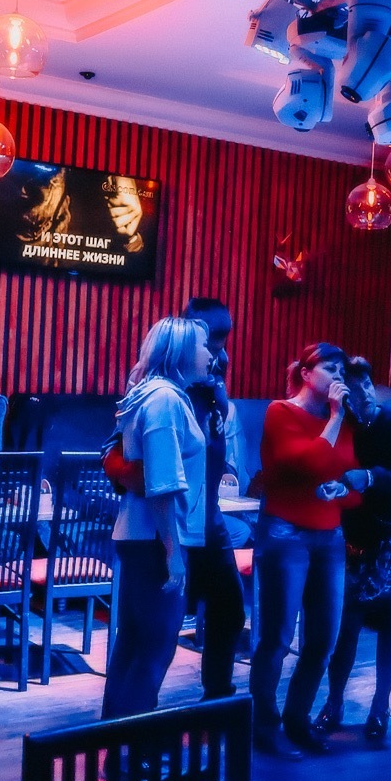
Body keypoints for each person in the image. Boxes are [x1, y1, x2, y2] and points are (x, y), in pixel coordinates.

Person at [249, 343, 361, 758]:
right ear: (306, 372)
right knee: (277, 637)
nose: (338, 376)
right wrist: (334, 418)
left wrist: (343, 491)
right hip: (285, 533)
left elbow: (350, 480)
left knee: (323, 638)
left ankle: (298, 720)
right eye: (330, 367)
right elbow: (306, 464)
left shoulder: (343, 420)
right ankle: (264, 726)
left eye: (342, 370)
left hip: (329, 536)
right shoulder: (281, 412)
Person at [101, 316, 211, 720]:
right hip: (156, 539)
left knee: (133, 644)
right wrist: (173, 552)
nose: (210, 353)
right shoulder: (165, 399)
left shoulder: (150, 393)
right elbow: (162, 484)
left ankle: (113, 741)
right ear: (180, 351)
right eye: (202, 345)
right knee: (154, 649)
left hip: (140, 536)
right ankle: (131, 745)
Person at [318, 357, 391, 745]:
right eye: (355, 387)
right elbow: (329, 465)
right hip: (360, 530)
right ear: (342, 394)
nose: (365, 393)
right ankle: (333, 702)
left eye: (367, 384)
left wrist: (369, 477)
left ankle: (380, 706)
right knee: (346, 621)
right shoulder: (341, 424)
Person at [181, 297, 248, 701]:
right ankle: (131, 725)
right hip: (176, 519)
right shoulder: (170, 385)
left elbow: (220, 449)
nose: (220, 354)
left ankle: (217, 698)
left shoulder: (214, 378)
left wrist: (219, 403)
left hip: (209, 517)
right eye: (211, 342)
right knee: (158, 632)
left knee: (230, 610)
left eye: (223, 342)